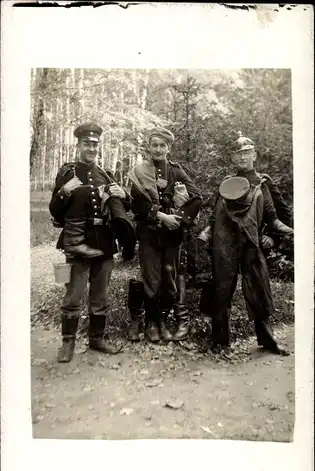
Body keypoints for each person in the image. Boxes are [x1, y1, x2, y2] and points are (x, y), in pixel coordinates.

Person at [200, 131, 294, 355]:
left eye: (247, 153)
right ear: (233, 158)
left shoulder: (264, 183)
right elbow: (214, 216)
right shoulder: (226, 185)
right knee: (222, 291)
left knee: (259, 290)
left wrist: (273, 237)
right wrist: (210, 234)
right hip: (225, 245)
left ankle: (268, 340)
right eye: (238, 154)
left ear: (254, 155)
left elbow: (279, 216)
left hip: (253, 244)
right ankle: (219, 342)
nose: (242, 157)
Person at [49, 122, 135, 363]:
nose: (91, 148)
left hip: (105, 241)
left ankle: (97, 338)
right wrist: (65, 191)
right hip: (78, 242)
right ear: (78, 145)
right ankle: (68, 342)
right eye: (87, 143)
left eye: (95, 144)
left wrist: (123, 196)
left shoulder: (106, 174)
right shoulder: (67, 173)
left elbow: (123, 208)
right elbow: (55, 212)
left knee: (101, 295)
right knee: (73, 295)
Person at [128, 127, 202, 343]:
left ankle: (163, 320)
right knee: (151, 281)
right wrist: (161, 216)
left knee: (169, 282)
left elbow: (196, 197)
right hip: (149, 236)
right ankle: (151, 323)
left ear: (168, 148)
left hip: (172, 237)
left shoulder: (176, 171)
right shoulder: (139, 171)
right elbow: (136, 204)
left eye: (162, 145)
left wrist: (177, 218)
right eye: (155, 145)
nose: (158, 149)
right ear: (149, 148)